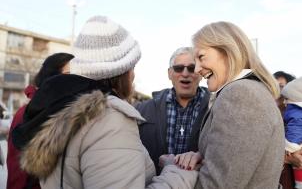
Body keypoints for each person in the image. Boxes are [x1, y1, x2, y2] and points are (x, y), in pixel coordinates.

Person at [12, 16, 197, 189]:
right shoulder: (110, 120)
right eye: (132, 67)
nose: (133, 76)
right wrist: (176, 172)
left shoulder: (62, 108)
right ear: (121, 72)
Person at [175, 21, 285, 189]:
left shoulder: (241, 94)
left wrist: (172, 170)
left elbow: (217, 185)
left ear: (228, 51)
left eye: (201, 57)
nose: (196, 69)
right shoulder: (247, 91)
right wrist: (202, 157)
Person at [136, 46, 210, 173]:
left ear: (200, 73)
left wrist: (201, 156)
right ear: (170, 73)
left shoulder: (216, 108)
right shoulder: (142, 110)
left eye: (191, 68)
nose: (185, 73)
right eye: (179, 68)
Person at [6, 52, 74, 189]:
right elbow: (18, 172)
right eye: (70, 75)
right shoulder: (27, 113)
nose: (77, 81)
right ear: (53, 78)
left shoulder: (73, 111)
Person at [281, 74, 302, 189]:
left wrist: (290, 149)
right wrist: (288, 157)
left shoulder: (296, 114)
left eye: (281, 86)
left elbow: (294, 135)